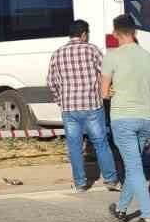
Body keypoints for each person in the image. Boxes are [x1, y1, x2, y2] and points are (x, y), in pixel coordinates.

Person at [102, 14, 150, 222]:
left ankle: (149, 219)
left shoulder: (112, 56)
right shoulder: (147, 56)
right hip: (145, 118)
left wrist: (111, 91)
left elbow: (104, 92)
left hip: (123, 118)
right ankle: (120, 210)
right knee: (133, 166)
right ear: (135, 32)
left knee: (134, 168)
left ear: (115, 33)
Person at [45, 20, 119, 192]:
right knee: (101, 142)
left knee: (74, 147)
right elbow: (107, 72)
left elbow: (50, 82)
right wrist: (105, 92)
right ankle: (110, 180)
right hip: (92, 105)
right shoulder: (92, 50)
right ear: (84, 34)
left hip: (69, 108)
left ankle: (80, 183)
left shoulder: (57, 54)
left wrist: (60, 100)